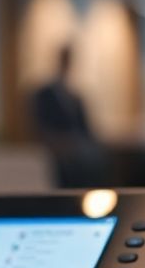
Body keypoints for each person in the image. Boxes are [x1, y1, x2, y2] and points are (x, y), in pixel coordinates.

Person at [30, 43, 102, 185]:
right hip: (57, 150)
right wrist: (59, 143)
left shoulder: (75, 96)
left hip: (79, 149)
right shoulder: (44, 94)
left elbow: (87, 130)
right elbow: (41, 127)